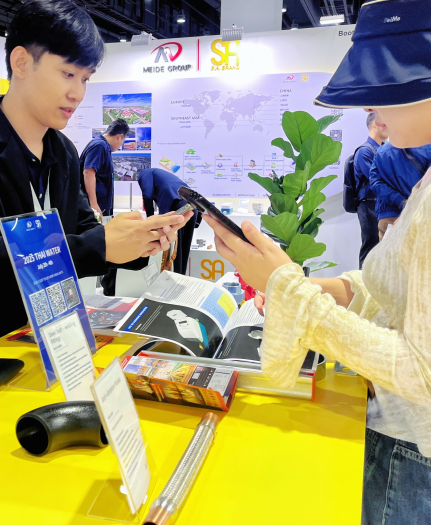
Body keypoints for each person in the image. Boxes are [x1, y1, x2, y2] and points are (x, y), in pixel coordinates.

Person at [202, 2, 431, 522]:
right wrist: (309, 286)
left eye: (383, 88)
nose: (370, 107)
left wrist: (292, 291)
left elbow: (421, 372)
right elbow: (396, 286)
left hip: (411, 456)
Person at [0, 0, 191, 373]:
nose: (78, 93)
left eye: (85, 79)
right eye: (67, 74)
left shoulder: (62, 149)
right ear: (21, 62)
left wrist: (139, 241)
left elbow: (83, 229)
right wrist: (102, 243)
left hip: (47, 336)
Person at [137, 168, 200, 275]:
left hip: (177, 205)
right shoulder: (161, 174)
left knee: (174, 249)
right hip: (192, 205)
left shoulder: (144, 174)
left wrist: (150, 222)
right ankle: (180, 278)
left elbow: (147, 195)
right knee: (184, 248)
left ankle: (172, 280)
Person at [369, 141, 431, 240]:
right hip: (419, 216)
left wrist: (400, 200)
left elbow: (375, 183)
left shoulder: (380, 152)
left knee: (388, 249)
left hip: (388, 216)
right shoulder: (426, 147)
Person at [353, 112, 387, 268]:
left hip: (378, 205)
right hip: (368, 205)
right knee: (370, 246)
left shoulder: (381, 149)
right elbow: (376, 180)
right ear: (375, 124)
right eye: (384, 123)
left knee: (379, 247)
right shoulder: (365, 151)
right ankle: (362, 281)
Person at [79, 119, 128, 217]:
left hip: (101, 202)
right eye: (122, 142)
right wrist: (93, 204)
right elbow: (88, 172)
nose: (120, 146)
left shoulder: (103, 145)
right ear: (119, 137)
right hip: (95, 204)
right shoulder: (99, 146)